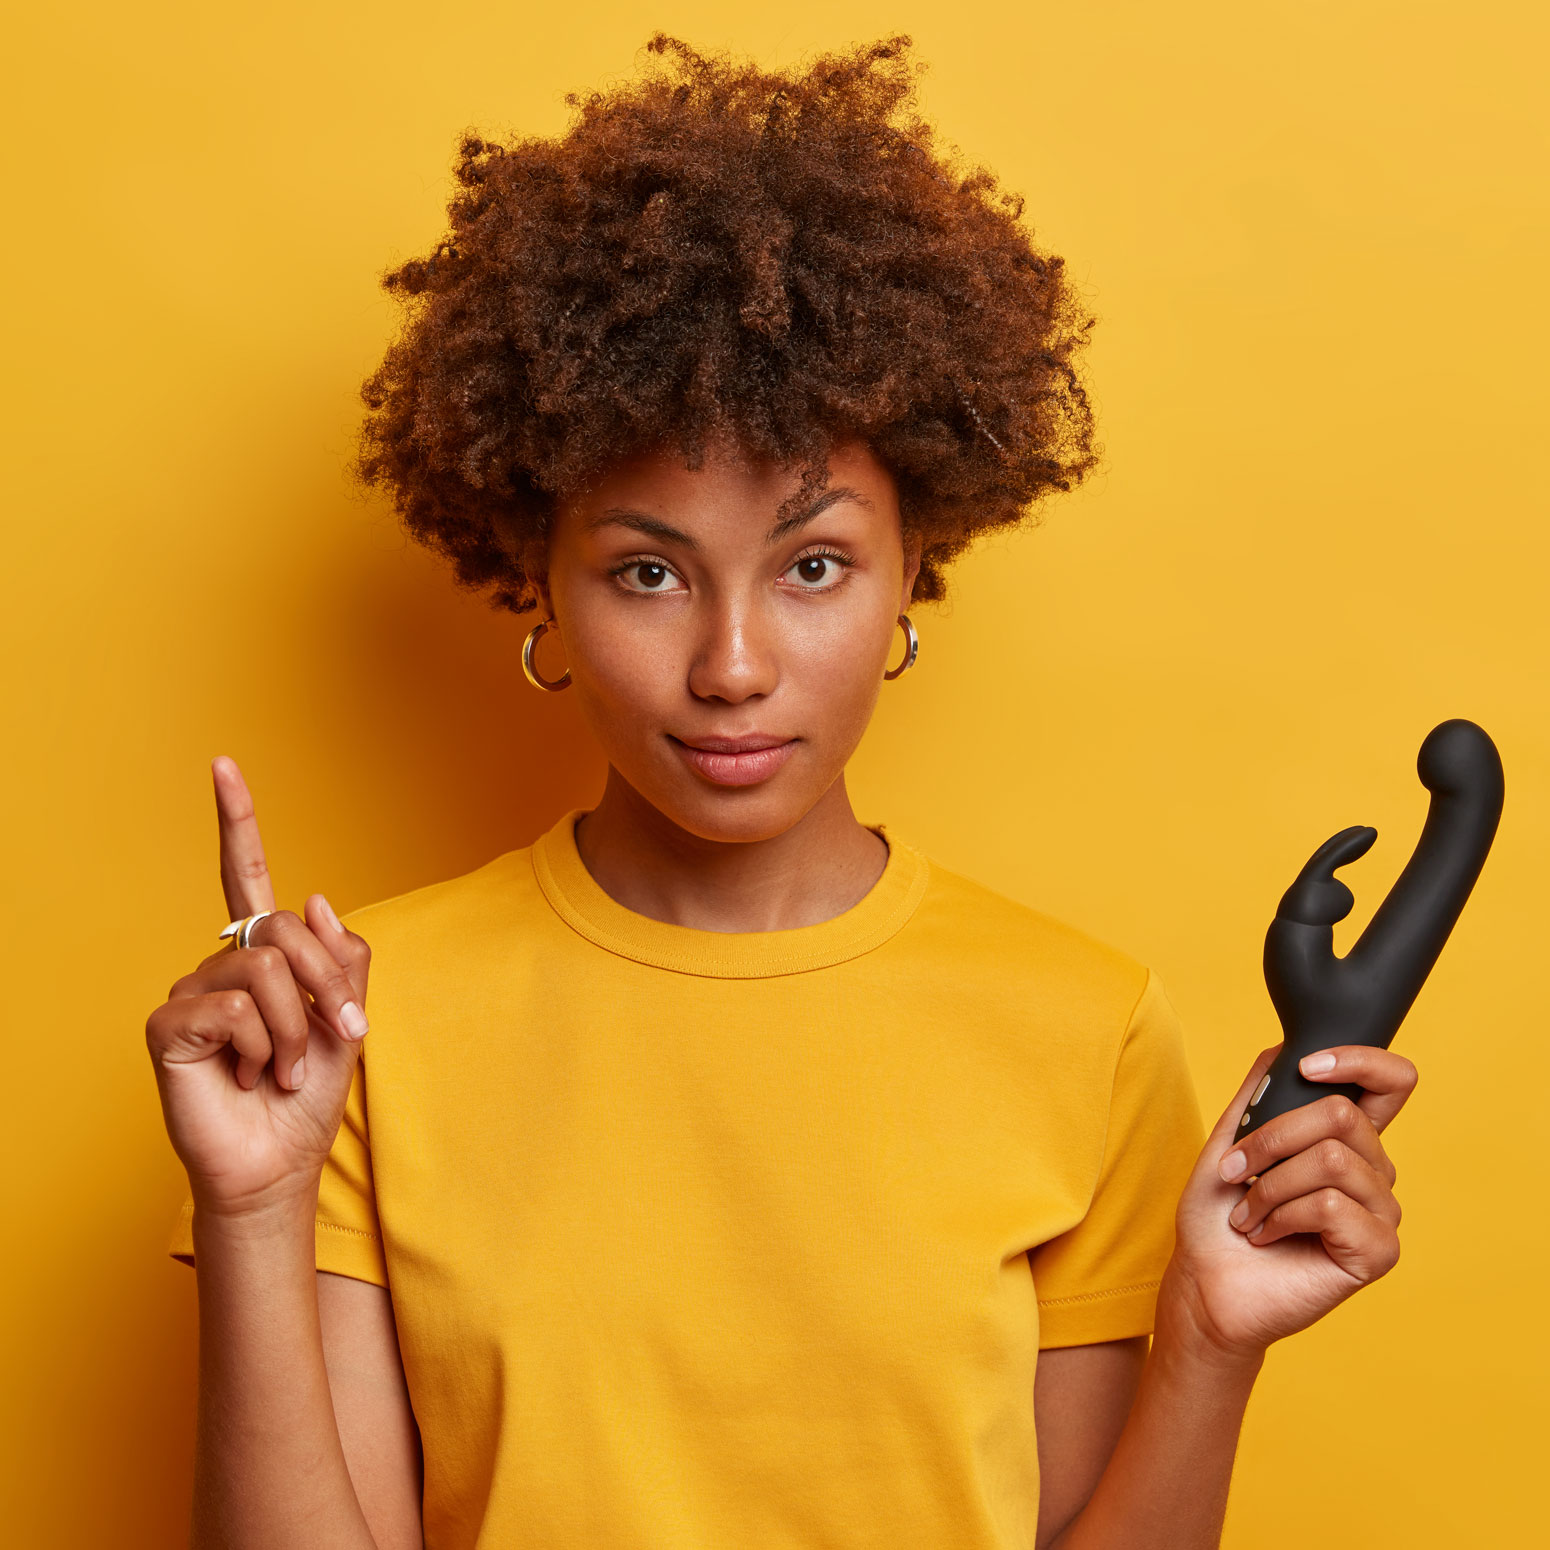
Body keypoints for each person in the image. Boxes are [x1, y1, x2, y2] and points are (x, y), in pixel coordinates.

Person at [149, 33, 1414, 1550]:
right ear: (534, 584)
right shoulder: (360, 1027)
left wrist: (1208, 1343)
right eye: (645, 572)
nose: (733, 663)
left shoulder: (1084, 1026)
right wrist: (251, 1209)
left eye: (811, 565)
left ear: (909, 573)